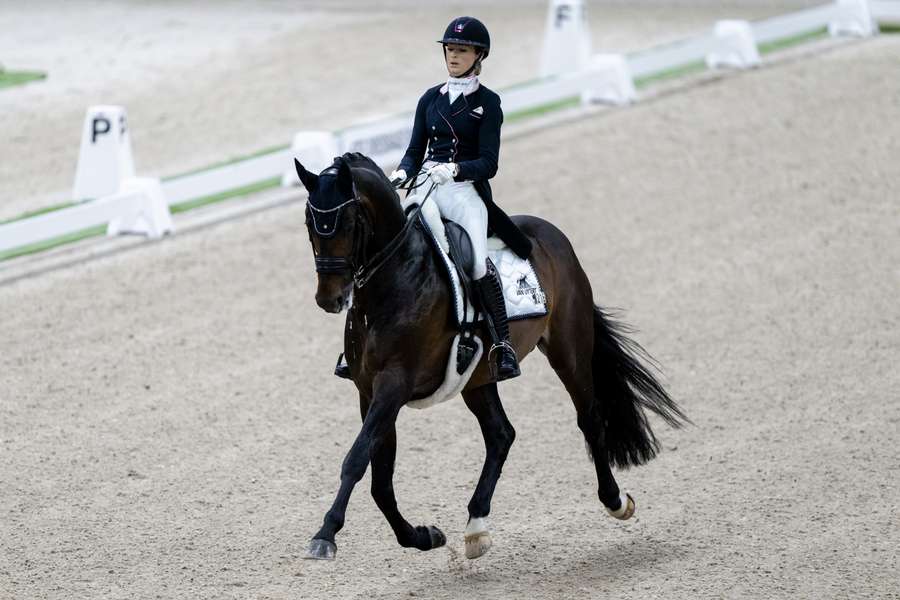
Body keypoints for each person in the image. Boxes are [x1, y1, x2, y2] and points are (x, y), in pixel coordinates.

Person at [390, 16, 533, 381]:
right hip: (425, 185)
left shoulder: (488, 103)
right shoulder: (430, 99)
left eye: (462, 50)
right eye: (450, 49)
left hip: (463, 190)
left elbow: (489, 162)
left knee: (477, 261)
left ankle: (501, 344)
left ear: (478, 55)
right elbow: (413, 150)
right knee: (388, 242)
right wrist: (404, 172)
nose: (454, 56)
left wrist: (455, 170)